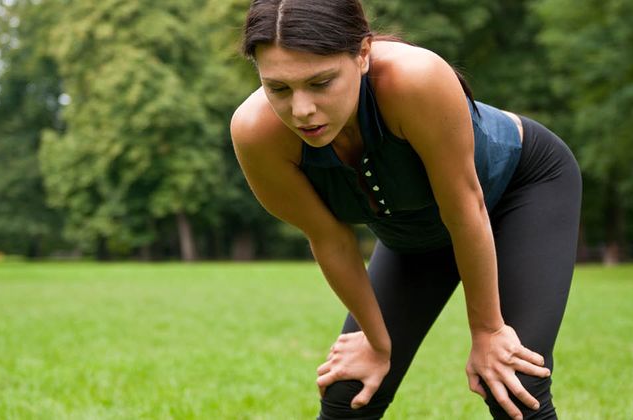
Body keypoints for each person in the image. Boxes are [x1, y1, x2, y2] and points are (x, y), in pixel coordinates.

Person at [230, 1, 581, 419]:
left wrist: (488, 330)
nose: (301, 110)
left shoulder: (415, 79)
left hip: (519, 191)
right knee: (350, 390)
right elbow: (331, 239)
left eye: (321, 82)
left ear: (362, 54)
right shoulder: (258, 135)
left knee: (512, 381)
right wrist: (377, 345)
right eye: (279, 89)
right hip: (413, 231)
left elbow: (465, 208)